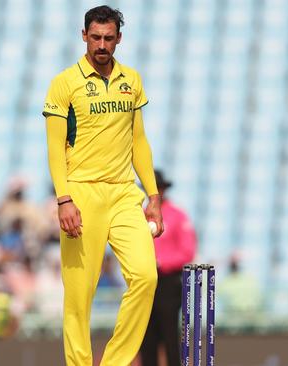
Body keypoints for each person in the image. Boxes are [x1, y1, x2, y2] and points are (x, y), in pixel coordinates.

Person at [42, 6, 163, 365]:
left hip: (125, 193)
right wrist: (64, 198)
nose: (102, 45)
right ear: (84, 36)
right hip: (81, 192)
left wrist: (153, 196)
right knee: (79, 297)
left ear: (119, 39)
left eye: (109, 38)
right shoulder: (65, 82)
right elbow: (54, 147)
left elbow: (138, 141)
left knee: (146, 277)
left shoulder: (132, 80)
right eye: (95, 37)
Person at [139, 170, 196, 366]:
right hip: (143, 283)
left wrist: (161, 262)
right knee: (145, 338)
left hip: (167, 283)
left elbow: (187, 252)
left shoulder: (177, 215)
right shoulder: (138, 214)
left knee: (170, 334)